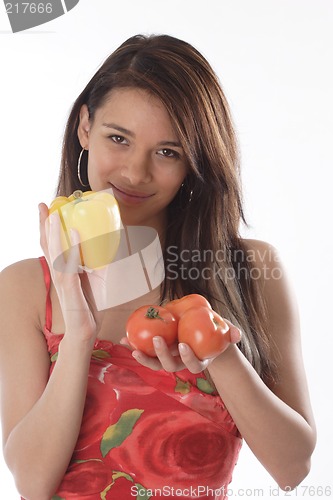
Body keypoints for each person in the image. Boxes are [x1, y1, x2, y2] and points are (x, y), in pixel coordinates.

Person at [0, 34, 316, 500]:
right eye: (118, 138)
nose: (135, 172)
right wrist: (79, 335)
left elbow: (293, 469)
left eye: (167, 152)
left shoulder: (249, 269)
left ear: (195, 161)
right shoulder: (27, 287)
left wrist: (221, 354)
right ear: (85, 126)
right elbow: (32, 484)